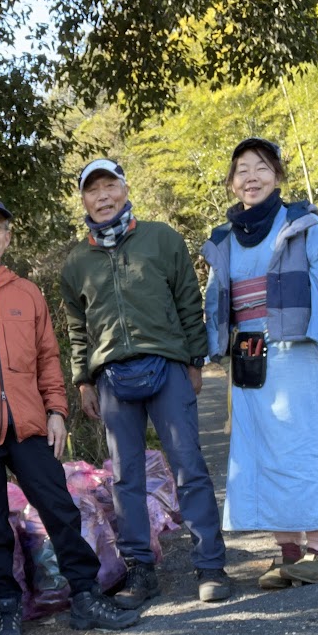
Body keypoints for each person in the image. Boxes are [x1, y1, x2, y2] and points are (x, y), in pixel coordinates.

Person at [0, 194, 140, 635]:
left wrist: (57, 411)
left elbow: (47, 358)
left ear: (9, 237)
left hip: (28, 424)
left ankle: (86, 595)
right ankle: (6, 609)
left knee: (59, 509)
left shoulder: (26, 292)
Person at [200, 138, 318, 589]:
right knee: (260, 450)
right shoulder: (223, 239)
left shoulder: (301, 222)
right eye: (241, 170)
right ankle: (288, 552)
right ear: (232, 182)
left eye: (260, 167)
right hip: (248, 357)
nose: (250, 176)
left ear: (277, 175)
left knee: (302, 446)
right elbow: (217, 301)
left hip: (292, 351)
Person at [60, 159, 229, 608]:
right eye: (92, 190)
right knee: (125, 477)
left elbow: (189, 303)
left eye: (109, 185)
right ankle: (141, 570)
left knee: (188, 467)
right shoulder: (77, 261)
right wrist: (83, 380)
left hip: (168, 365)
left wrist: (196, 361)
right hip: (112, 377)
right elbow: (79, 328)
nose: (103, 196)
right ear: (84, 200)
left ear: (124, 187)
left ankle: (210, 564)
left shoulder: (162, 239)